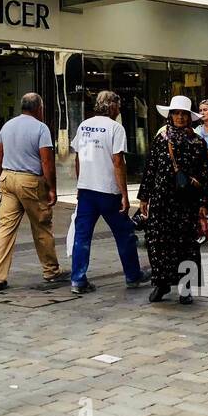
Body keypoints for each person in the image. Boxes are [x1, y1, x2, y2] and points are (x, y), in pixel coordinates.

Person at [68, 91, 148, 294]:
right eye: (118, 106)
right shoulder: (115, 128)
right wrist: (124, 194)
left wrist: (80, 184)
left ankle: (78, 279)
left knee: (82, 236)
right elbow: (118, 162)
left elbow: (78, 158)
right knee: (125, 234)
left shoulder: (84, 125)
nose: (120, 109)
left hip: (87, 190)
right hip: (107, 191)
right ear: (112, 106)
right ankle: (132, 275)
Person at [0, 93, 64, 291]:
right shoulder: (41, 128)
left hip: (7, 177)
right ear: (38, 108)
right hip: (30, 181)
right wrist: (52, 188)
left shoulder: (8, 125)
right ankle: (51, 271)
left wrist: (1, 177)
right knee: (41, 226)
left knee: (5, 227)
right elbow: (46, 161)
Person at [140, 95, 208, 305]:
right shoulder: (162, 139)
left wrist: (203, 204)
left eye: (184, 114)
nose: (180, 117)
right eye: (176, 113)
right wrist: (144, 195)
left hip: (186, 202)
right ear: (170, 116)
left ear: (190, 117)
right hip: (162, 200)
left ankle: (185, 287)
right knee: (158, 243)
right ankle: (161, 283)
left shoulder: (197, 143)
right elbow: (151, 167)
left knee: (186, 244)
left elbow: (204, 175)